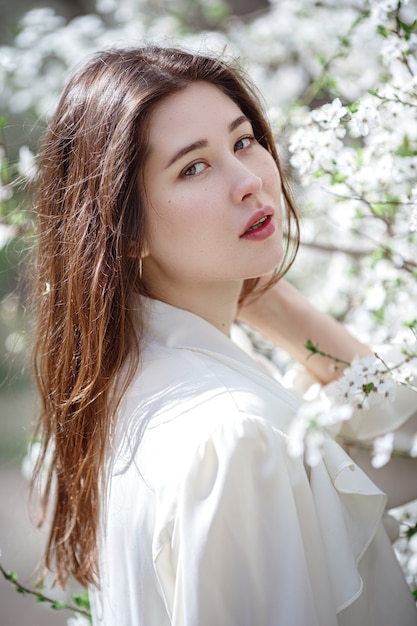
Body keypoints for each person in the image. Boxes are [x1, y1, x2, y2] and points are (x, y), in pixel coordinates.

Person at [31, 45, 417, 626]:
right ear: (124, 229)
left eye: (242, 142)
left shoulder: (130, 388)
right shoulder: (233, 437)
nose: (249, 182)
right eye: (193, 167)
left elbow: (400, 446)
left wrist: (265, 298)